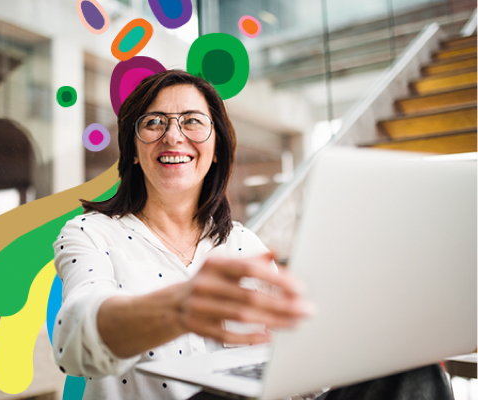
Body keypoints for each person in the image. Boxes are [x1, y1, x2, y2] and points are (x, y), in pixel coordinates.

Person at [52, 70, 453, 400]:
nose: (173, 136)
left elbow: (298, 361)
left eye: (192, 121)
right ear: (134, 151)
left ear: (214, 150)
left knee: (414, 374)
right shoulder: (90, 233)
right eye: (154, 123)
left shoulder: (242, 243)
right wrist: (177, 307)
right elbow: (73, 339)